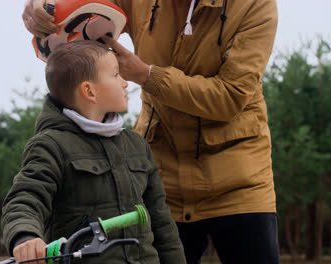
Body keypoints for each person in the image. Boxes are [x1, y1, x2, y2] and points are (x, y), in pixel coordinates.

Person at [23, 0, 280, 263]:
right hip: (160, 176)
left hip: (239, 180)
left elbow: (231, 95)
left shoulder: (256, 6)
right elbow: (80, 6)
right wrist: (40, 8)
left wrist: (147, 76)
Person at [1, 40, 186, 264]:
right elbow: (24, 199)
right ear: (89, 91)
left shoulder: (136, 144)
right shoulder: (51, 145)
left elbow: (162, 222)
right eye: (116, 74)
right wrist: (25, 236)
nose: (125, 83)